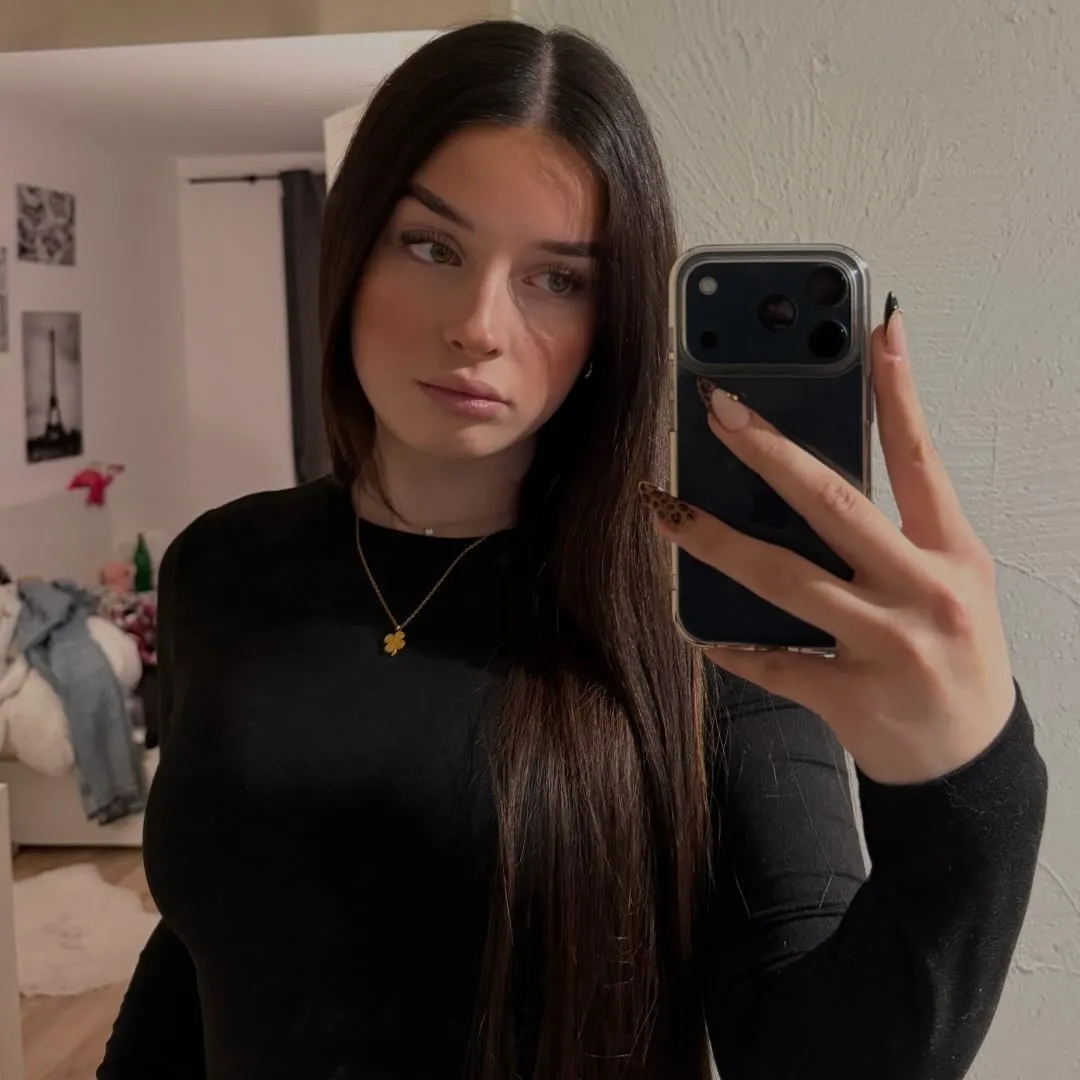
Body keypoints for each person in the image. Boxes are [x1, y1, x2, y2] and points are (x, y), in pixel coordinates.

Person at [98, 19, 1048, 1080]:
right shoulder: (221, 566)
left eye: (557, 279)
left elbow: (807, 1057)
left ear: (612, 321)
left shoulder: (700, 618)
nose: (479, 325)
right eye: (431, 246)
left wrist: (967, 785)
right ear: (353, 246)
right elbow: (200, 942)